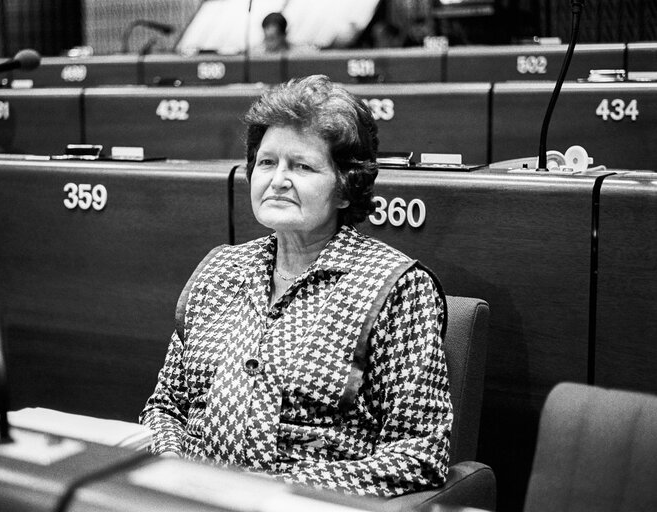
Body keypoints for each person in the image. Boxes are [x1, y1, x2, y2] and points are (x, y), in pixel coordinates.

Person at [139, 74, 452, 497]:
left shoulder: (396, 288)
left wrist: (275, 491)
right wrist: (174, 471)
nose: (278, 179)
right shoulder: (219, 270)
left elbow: (421, 452)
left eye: (302, 166)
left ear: (346, 188)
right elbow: (165, 407)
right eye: (267, 163)